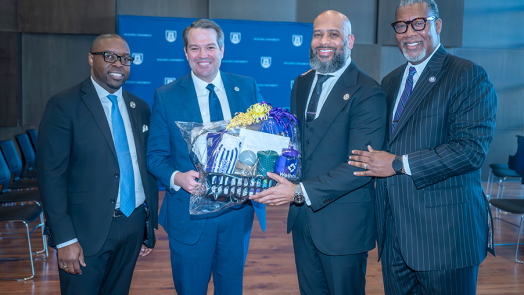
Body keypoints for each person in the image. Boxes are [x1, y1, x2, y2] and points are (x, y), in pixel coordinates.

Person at [348, 0, 497, 294]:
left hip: (445, 239)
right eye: (401, 26)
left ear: (437, 25)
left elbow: (470, 150)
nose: (409, 33)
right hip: (394, 237)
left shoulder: (467, 75)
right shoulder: (390, 82)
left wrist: (397, 163)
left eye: (419, 23)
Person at [250, 10, 386, 294]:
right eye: (318, 34)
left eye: (333, 34)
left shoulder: (367, 92)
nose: (324, 41)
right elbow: (299, 146)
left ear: (348, 40)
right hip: (303, 223)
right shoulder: (301, 83)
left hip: (343, 228)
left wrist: (298, 192)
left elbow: (359, 168)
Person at [146, 19, 266, 295]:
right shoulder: (166, 97)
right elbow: (155, 156)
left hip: (237, 215)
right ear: (185, 53)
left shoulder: (247, 87)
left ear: (222, 49)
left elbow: (261, 142)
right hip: (190, 217)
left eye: (210, 47)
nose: (203, 55)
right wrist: (178, 177)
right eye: (195, 48)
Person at [37, 34, 158, 295]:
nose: (118, 64)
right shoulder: (64, 105)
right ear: (91, 59)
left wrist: (147, 227)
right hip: (84, 231)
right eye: (110, 56)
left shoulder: (140, 108)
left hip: (131, 224)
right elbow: (51, 176)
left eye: (125, 59)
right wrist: (65, 238)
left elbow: (145, 169)